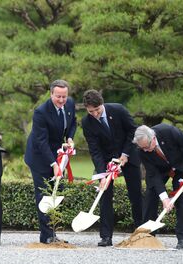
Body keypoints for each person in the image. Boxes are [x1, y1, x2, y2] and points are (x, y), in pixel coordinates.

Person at [81, 90, 143, 247]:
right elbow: (94, 150)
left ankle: (141, 233)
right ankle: (106, 236)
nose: (95, 114)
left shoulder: (118, 110)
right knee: (105, 196)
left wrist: (126, 153)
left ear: (102, 104)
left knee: (135, 195)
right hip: (106, 161)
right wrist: (102, 174)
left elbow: (132, 130)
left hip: (128, 157)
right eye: (91, 111)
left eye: (97, 110)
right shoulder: (87, 122)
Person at [24, 79, 77, 244]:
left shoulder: (69, 104)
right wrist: (53, 165)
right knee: (44, 194)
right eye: (58, 97)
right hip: (39, 157)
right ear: (51, 94)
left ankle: (54, 232)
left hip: (58, 153)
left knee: (57, 191)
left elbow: (73, 123)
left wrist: (69, 138)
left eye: (64, 96)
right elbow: (41, 142)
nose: (61, 100)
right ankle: (46, 236)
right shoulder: (41, 112)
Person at [133, 124, 183, 250]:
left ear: (153, 138)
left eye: (147, 146)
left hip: (180, 165)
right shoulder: (141, 149)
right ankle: (148, 235)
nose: (145, 150)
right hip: (159, 170)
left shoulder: (168, 131)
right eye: (142, 148)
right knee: (151, 194)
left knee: (182, 199)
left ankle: (182, 239)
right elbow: (153, 174)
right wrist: (164, 198)